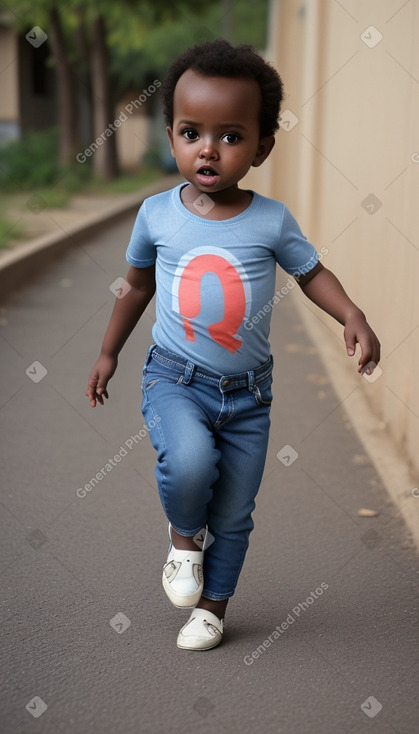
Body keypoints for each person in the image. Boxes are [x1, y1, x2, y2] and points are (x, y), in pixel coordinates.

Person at [85, 39, 380, 651]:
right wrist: (110, 352)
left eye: (230, 136)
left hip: (249, 397)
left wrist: (349, 312)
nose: (208, 149)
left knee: (237, 511)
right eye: (192, 132)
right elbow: (136, 286)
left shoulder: (271, 219)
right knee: (189, 463)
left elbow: (311, 273)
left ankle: (212, 610)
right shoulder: (156, 215)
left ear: (262, 146)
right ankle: (183, 540)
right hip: (174, 379)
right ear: (170, 136)